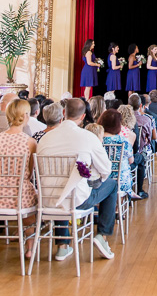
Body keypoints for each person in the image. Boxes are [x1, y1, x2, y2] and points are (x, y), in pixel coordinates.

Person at [37, 98, 117, 261]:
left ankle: (62, 246)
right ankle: (102, 235)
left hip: (47, 199)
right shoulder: (88, 137)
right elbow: (106, 169)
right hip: (78, 200)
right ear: (82, 117)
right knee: (112, 184)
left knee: (60, 190)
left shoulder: (45, 138)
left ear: (64, 113)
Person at [0, 99, 38, 257]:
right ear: (26, 116)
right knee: (32, 195)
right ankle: (29, 246)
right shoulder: (30, 142)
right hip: (20, 197)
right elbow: (29, 174)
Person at [98, 109, 140, 200]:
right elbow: (131, 161)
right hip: (121, 181)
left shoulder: (96, 139)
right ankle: (119, 208)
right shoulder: (123, 140)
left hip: (100, 179)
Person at [128, 95, 151, 199]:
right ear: (141, 105)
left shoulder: (120, 122)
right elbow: (150, 139)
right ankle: (140, 190)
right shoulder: (146, 120)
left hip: (119, 157)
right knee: (141, 158)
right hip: (135, 153)